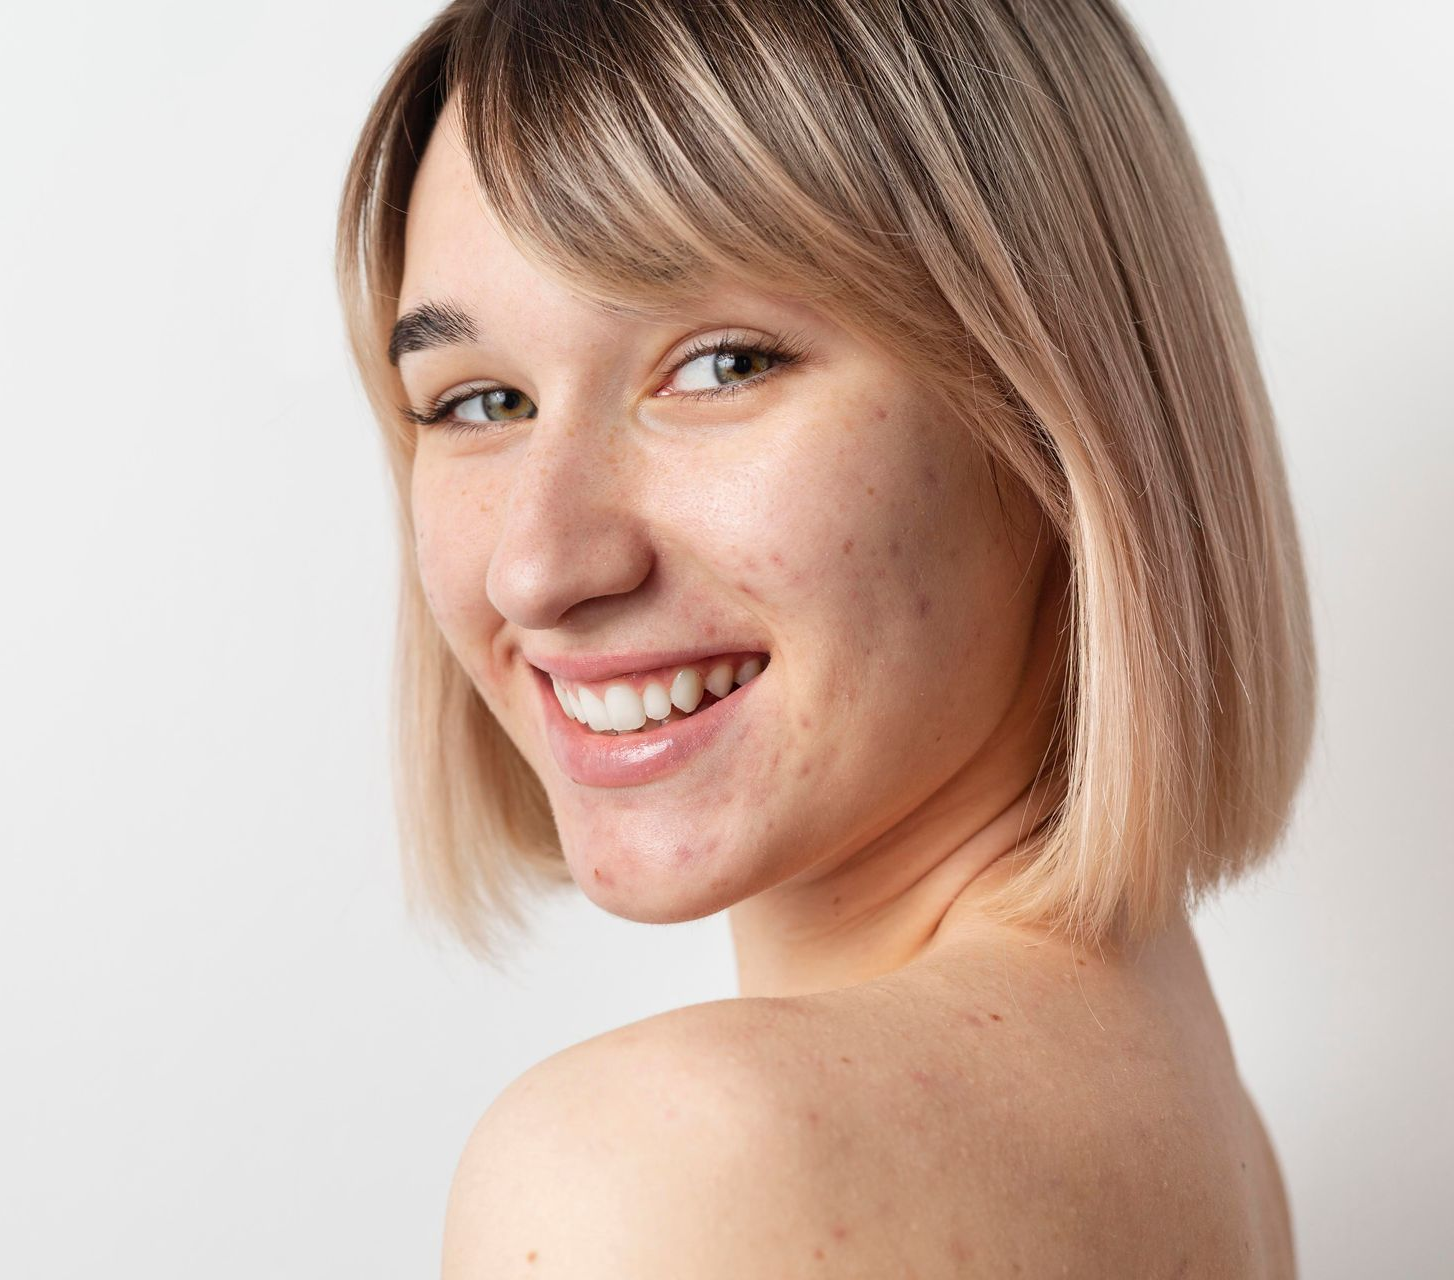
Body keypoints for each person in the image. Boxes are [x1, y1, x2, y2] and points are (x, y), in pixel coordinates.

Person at [335, 1, 1316, 1274]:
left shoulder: (657, 1172)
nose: (537, 565)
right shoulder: (1195, 1123)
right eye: (480, 400)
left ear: (1053, 414)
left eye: (723, 364)